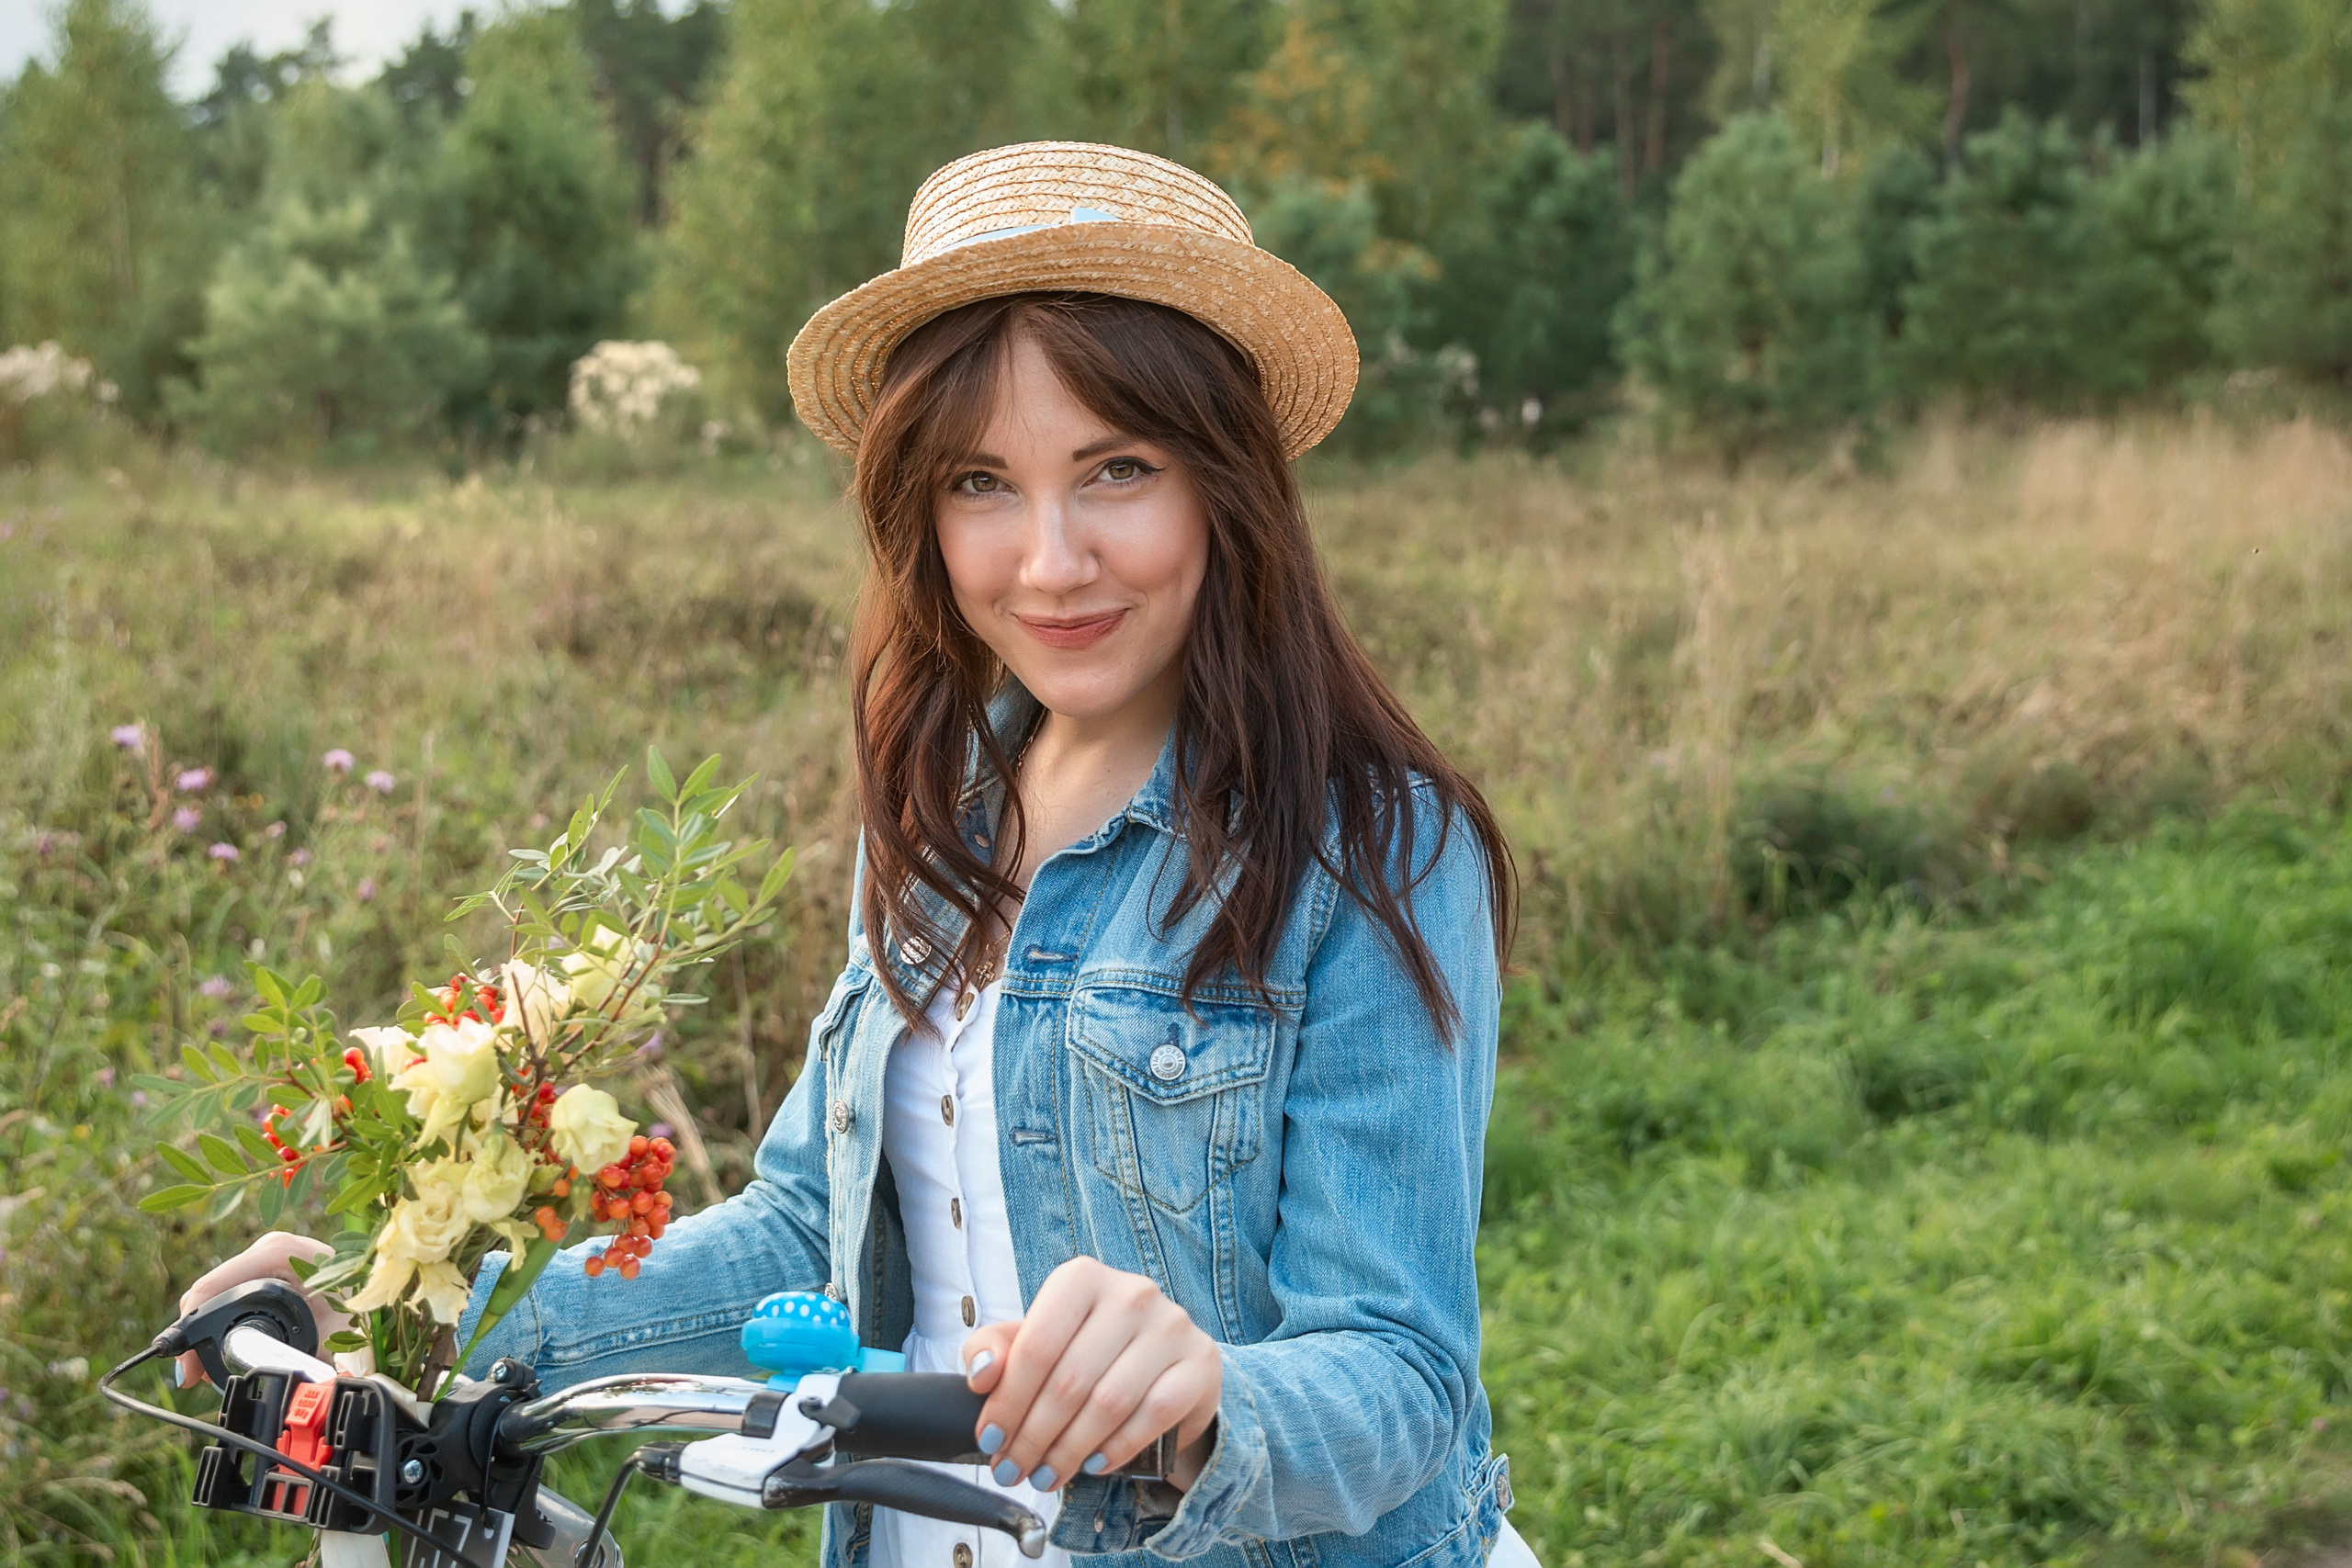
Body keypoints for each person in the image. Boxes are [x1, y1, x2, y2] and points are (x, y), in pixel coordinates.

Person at [175, 141, 1532, 1568]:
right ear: (920, 512)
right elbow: (804, 1233)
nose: (1050, 560)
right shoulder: (946, 808)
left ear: (1227, 485)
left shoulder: (1369, 847)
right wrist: (407, 1314)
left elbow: (1400, 1373)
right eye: (983, 484)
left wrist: (1200, 1401)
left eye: (1118, 470)